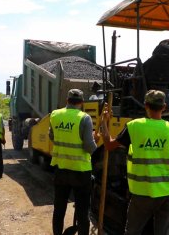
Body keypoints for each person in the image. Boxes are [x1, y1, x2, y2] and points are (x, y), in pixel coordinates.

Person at [101, 90, 169, 235]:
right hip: (166, 194)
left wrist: (103, 122)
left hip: (141, 194)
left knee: (132, 232)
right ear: (164, 107)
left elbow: (109, 145)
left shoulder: (134, 126)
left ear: (145, 105)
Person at [49, 89, 99, 235]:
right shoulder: (85, 118)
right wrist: (96, 140)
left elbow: (52, 136)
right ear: (82, 102)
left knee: (59, 209)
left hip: (61, 168)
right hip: (80, 171)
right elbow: (89, 147)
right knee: (82, 211)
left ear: (67, 100)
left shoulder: (55, 114)